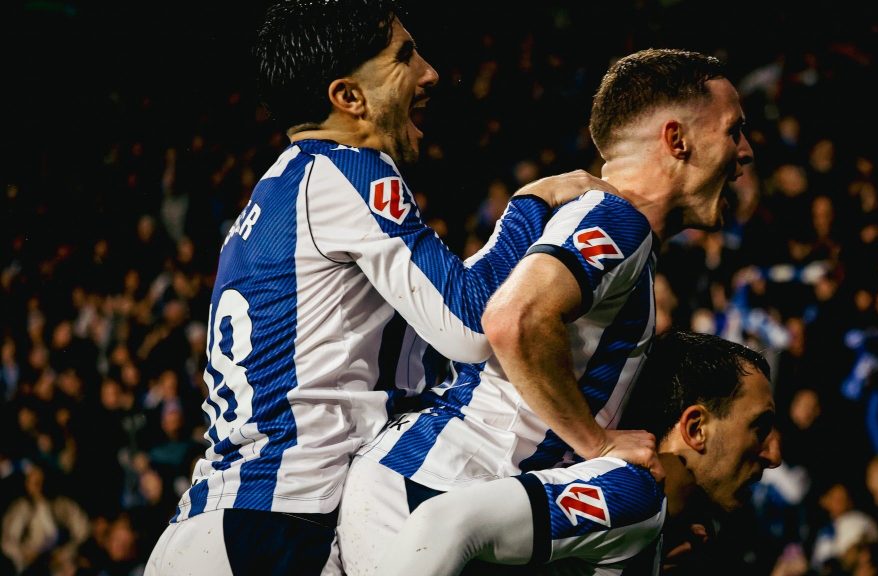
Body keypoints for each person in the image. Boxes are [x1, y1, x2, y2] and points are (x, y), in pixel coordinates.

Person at [144, 1, 607, 574]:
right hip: (280, 528)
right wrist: (529, 206)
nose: (430, 72)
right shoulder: (349, 169)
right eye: (405, 56)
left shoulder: (275, 192)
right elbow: (468, 324)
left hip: (212, 523)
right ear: (349, 98)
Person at [340, 48, 755, 574]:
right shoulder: (616, 219)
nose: (745, 152)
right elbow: (513, 320)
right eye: (734, 130)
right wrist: (598, 443)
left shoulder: (608, 229)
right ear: (677, 140)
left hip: (430, 489)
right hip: (437, 493)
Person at [374, 330, 780, 575]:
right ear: (696, 428)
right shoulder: (632, 493)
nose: (774, 453)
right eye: (759, 427)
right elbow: (445, 524)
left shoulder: (667, 530)